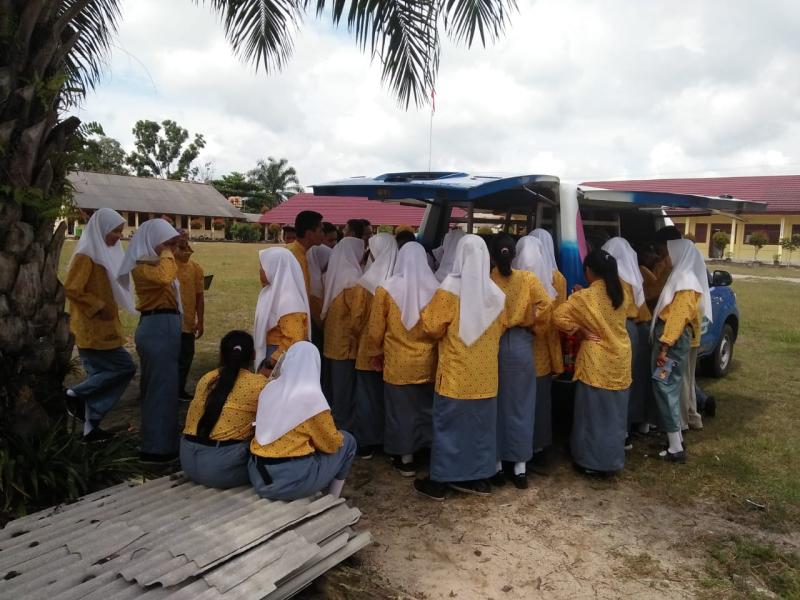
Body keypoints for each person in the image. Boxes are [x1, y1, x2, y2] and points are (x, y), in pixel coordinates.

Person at [415, 235, 507, 501]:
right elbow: (502, 327)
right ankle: (479, 478)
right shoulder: (496, 294)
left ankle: (441, 480)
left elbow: (432, 327)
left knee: (448, 426)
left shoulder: (449, 290)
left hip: (456, 372)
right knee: (481, 428)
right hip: (486, 375)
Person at [553, 250, 632, 475]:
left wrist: (580, 329)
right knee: (614, 415)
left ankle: (590, 462)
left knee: (591, 414)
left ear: (589, 271)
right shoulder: (623, 292)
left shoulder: (584, 299)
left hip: (596, 362)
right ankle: (612, 460)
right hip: (620, 359)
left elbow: (558, 316)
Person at [63, 208, 137, 442]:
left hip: (106, 327)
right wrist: (98, 306)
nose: (119, 235)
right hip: (91, 328)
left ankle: (90, 429)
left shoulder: (104, 253)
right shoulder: (86, 255)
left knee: (100, 376)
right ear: (102, 229)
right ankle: (75, 394)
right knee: (125, 367)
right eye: (115, 230)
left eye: (120, 230)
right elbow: (73, 288)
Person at [248, 342, 357, 500]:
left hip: (257, 474)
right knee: (347, 442)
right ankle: (333, 499)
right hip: (289, 482)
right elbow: (332, 444)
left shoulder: (269, 389)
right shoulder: (312, 400)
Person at [366, 241, 438, 477]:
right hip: (429, 360)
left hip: (397, 361)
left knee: (400, 410)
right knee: (426, 407)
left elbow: (376, 328)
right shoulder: (436, 288)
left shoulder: (385, 289)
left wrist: (375, 353)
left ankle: (405, 457)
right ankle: (426, 449)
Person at [489, 235, 552, 489]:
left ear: (493, 256)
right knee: (522, 406)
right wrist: (535, 327)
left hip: (493, 345)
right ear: (514, 255)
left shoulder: (487, 278)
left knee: (495, 405)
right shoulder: (528, 279)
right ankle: (520, 468)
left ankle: (496, 465)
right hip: (522, 347)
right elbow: (546, 305)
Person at [118, 218, 182, 462]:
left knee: (165, 388)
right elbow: (166, 277)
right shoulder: (141, 266)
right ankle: (157, 449)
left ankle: (163, 442)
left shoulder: (155, 261)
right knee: (159, 389)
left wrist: (176, 245)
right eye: (166, 244)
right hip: (157, 326)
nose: (171, 250)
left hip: (166, 324)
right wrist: (167, 251)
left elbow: (181, 261)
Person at [650, 239, 711, 462]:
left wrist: (665, 347)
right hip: (670, 340)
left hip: (671, 343)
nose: (664, 258)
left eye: (667, 254)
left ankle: (676, 446)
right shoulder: (681, 277)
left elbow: (677, 318)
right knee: (666, 385)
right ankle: (674, 439)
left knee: (665, 385)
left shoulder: (686, 283)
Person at [181, 331, 266, 488]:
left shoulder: (206, 379)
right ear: (253, 355)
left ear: (221, 354)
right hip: (221, 470)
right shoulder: (259, 384)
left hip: (188, 460)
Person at [350, 233, 398, 458]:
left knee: (367, 398)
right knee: (388, 399)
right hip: (394, 351)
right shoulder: (400, 280)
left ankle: (368, 442)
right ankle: (390, 441)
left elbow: (356, 320)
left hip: (367, 351)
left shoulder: (365, 284)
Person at [602, 237, 649, 443]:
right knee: (633, 380)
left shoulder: (613, 277)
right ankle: (633, 425)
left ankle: (621, 432)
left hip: (619, 329)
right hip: (637, 329)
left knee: (618, 382)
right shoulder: (633, 275)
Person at [528, 228, 567, 471]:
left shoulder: (517, 276)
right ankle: (540, 447)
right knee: (542, 398)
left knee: (518, 399)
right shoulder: (558, 278)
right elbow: (560, 313)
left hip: (521, 345)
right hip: (546, 343)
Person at [321, 237, 365, 430]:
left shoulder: (334, 272)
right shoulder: (353, 277)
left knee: (334, 386)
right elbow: (357, 316)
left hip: (331, 341)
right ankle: (342, 426)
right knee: (344, 389)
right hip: (347, 344)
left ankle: (332, 420)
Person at [253, 247, 311, 371]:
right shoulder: (271, 291)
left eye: (262, 267)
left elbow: (295, 338)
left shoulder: (290, 301)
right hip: (271, 352)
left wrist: (271, 364)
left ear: (274, 267)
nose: (260, 271)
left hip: (279, 358)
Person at [174, 232, 205, 400]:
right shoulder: (166, 265)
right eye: (178, 238)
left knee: (186, 357)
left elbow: (199, 297)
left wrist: (200, 321)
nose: (182, 240)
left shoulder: (195, 268)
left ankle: (179, 389)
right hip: (170, 321)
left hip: (188, 322)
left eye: (185, 238)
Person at [285, 210, 324, 309]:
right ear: (309, 234)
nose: (323, 235)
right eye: (320, 231)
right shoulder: (294, 257)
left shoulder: (301, 253)